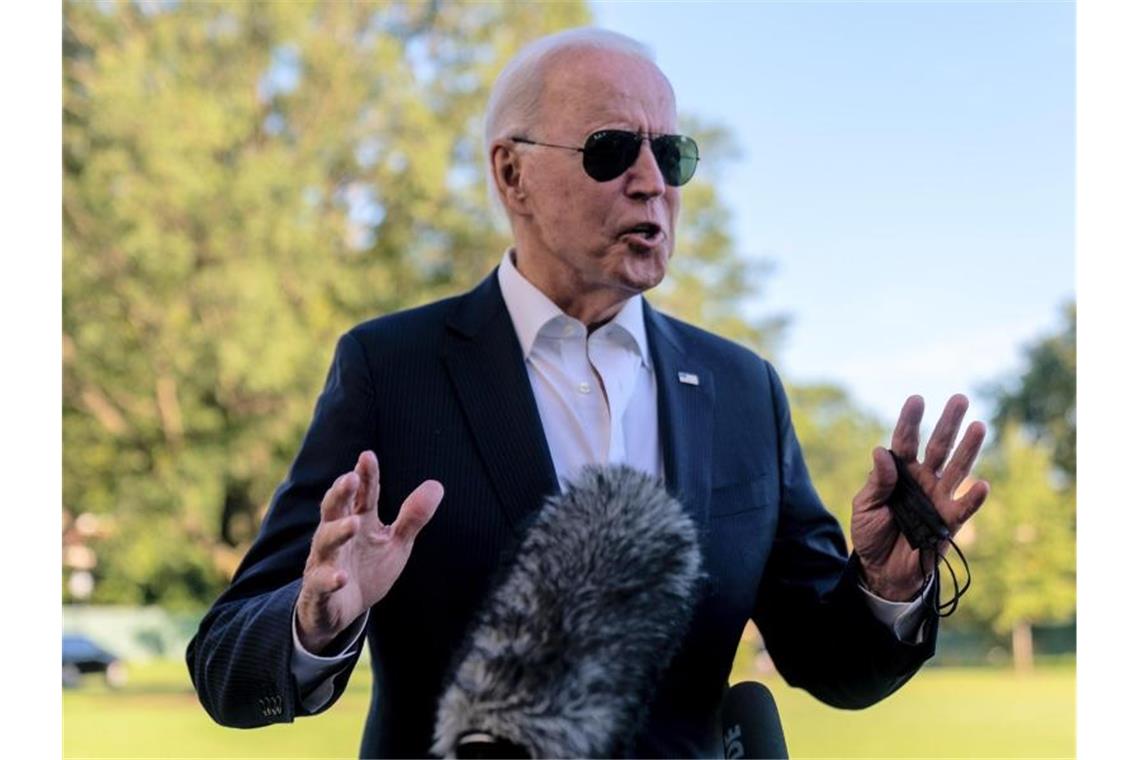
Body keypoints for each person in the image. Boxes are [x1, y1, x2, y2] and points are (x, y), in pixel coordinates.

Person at [187, 27, 989, 758]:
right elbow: (228, 660)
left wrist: (887, 586)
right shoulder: (392, 369)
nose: (650, 183)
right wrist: (314, 622)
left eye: (670, 154)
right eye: (611, 150)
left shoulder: (744, 389)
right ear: (513, 174)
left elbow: (832, 662)